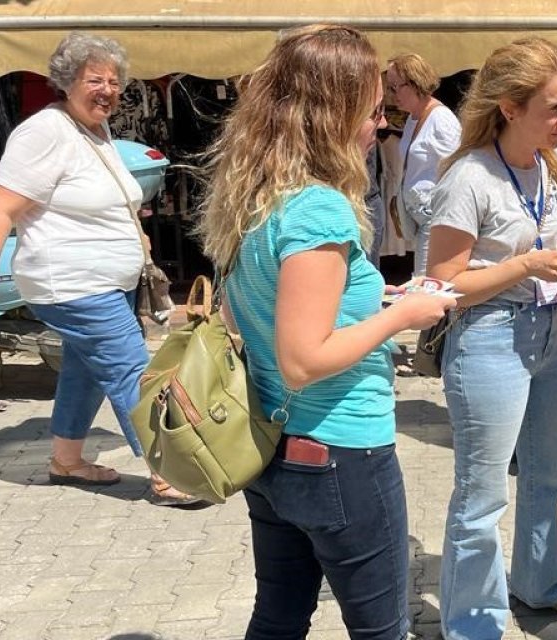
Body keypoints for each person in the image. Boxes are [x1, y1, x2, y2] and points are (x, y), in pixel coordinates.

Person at [195, 24, 455, 638]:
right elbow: (303, 358)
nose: (379, 126)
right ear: (330, 115)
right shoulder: (319, 208)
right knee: (381, 628)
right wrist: (402, 315)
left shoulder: (256, 198)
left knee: (278, 619)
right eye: (371, 111)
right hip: (340, 451)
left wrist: (376, 298)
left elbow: (248, 315)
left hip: (272, 449)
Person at [0, 31, 198, 506]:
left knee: (86, 371)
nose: (107, 90)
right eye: (95, 80)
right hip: (72, 283)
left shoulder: (95, 129)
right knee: (133, 370)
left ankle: (66, 461)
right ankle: (166, 472)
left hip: (106, 280)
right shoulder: (43, 133)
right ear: (67, 81)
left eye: (113, 81)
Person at [425, 36, 557, 640]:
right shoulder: (469, 177)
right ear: (508, 106)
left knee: (546, 474)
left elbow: (551, 249)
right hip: (490, 338)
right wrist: (526, 265)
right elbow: (443, 283)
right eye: (554, 108)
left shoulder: (553, 167)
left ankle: (540, 581)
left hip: (554, 334)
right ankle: (473, 621)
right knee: (481, 497)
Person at [388, 52, 462, 277]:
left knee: (426, 281)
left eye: (395, 87)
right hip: (419, 217)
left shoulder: (441, 120)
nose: (393, 95)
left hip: (435, 216)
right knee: (424, 278)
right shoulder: (414, 117)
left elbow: (458, 167)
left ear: (414, 83)